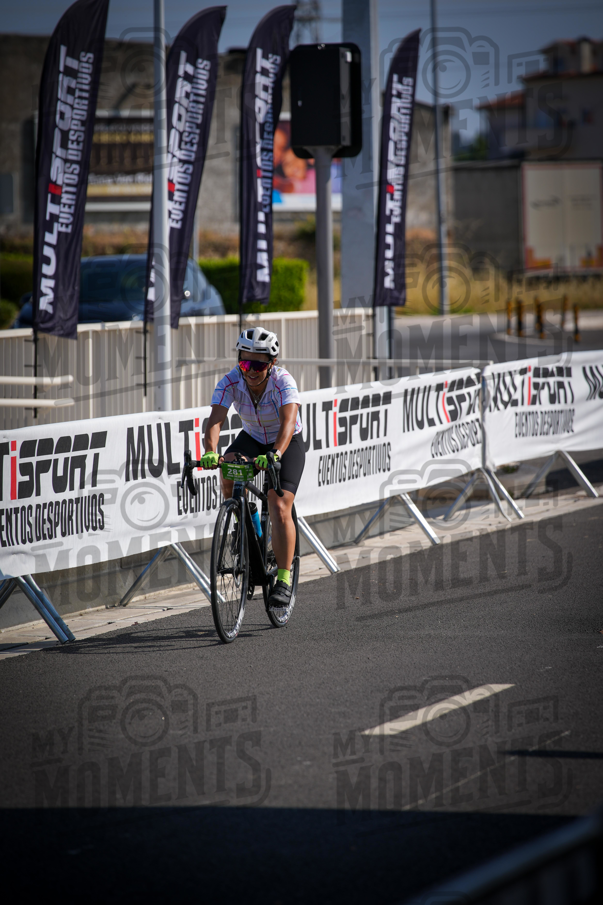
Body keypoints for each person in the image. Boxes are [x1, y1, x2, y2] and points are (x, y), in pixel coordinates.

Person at [201, 327, 305, 608]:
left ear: (272, 363)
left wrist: (275, 454)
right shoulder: (230, 382)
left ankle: (283, 578)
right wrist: (210, 452)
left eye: (259, 364)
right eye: (245, 363)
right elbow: (215, 421)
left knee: (279, 503)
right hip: (253, 438)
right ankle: (242, 519)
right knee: (227, 467)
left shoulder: (284, 381)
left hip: (286, 442)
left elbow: (287, 423)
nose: (251, 370)